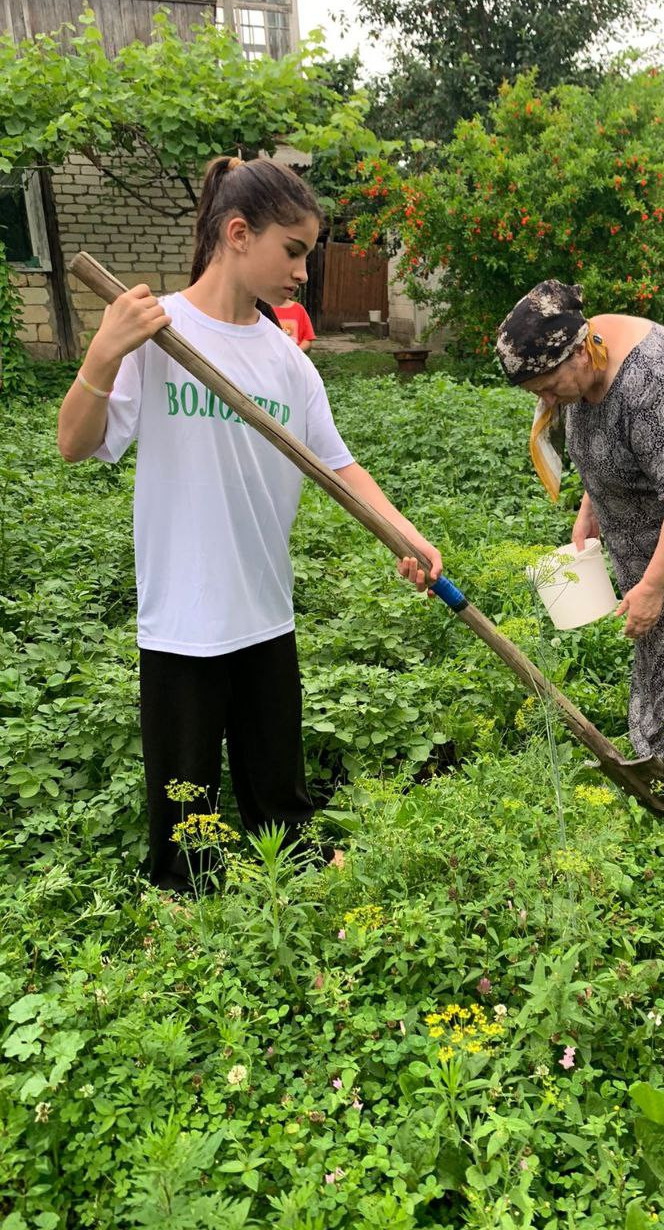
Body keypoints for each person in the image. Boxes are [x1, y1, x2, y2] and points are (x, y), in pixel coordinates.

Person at [57, 156, 442, 891]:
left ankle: (293, 873)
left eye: (308, 255)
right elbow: (74, 444)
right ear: (238, 234)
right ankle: (185, 900)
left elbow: (339, 465)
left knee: (280, 793)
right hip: (180, 617)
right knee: (184, 810)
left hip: (264, 608)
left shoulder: (287, 363)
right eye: (293, 251)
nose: (303, 273)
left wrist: (404, 533)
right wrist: (104, 351)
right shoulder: (156, 335)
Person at [496, 280, 664, 764]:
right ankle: (661, 745)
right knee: (660, 634)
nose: (548, 400)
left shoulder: (651, 380)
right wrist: (590, 509)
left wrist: (652, 588)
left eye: (549, 387)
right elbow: (608, 446)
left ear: (580, 352)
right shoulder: (585, 366)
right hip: (659, 510)